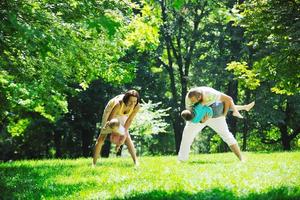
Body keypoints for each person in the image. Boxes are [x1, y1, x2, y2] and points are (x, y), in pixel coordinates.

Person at [178, 86, 254, 162]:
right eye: (192, 101)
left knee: (227, 135)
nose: (193, 102)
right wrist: (202, 120)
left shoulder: (210, 93)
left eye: (194, 101)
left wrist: (224, 115)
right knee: (187, 136)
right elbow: (190, 114)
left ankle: (241, 158)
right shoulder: (188, 98)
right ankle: (182, 160)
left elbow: (228, 99)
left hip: (215, 115)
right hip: (198, 118)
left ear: (200, 97)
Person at [93, 90, 140, 166]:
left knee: (127, 137)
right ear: (126, 99)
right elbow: (110, 120)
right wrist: (114, 132)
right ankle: (93, 163)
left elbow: (129, 120)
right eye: (130, 101)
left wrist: (122, 137)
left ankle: (136, 162)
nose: (132, 104)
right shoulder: (118, 104)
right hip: (110, 112)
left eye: (135, 101)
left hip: (122, 114)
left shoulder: (136, 106)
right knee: (101, 138)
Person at [181, 101, 255, 123]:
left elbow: (202, 121)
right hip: (214, 109)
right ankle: (243, 108)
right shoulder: (197, 108)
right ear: (190, 111)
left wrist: (204, 119)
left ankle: (245, 107)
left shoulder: (194, 121)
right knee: (226, 101)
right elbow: (203, 102)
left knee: (229, 107)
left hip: (215, 115)